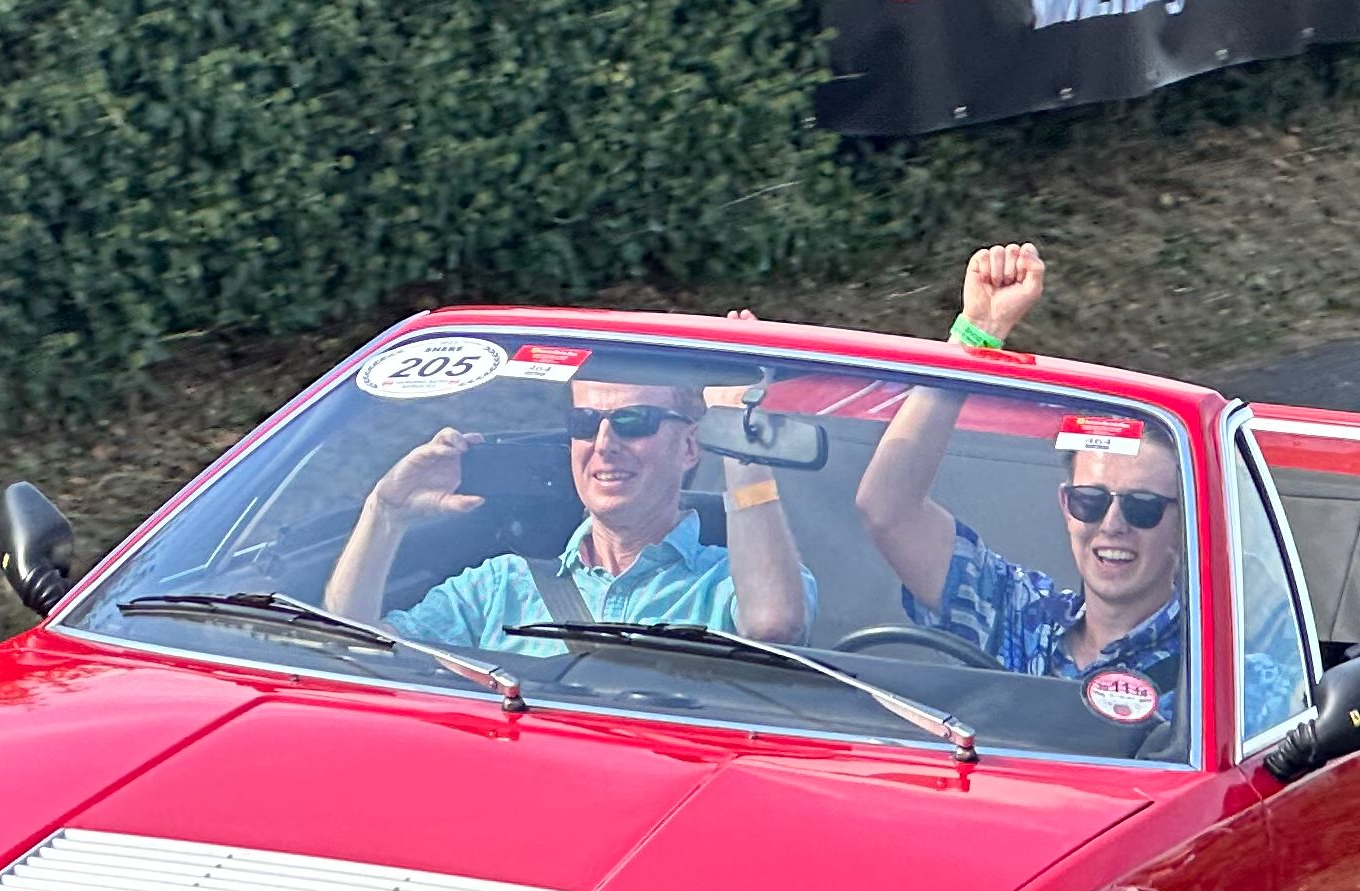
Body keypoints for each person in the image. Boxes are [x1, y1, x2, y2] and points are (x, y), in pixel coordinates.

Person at [850, 243, 1188, 736]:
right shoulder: (1017, 612)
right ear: (1066, 506)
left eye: (1142, 507)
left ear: (1185, 522)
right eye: (1090, 501)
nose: (1112, 525)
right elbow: (887, 509)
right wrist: (977, 332)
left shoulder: (1222, 671)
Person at [323, 359, 812, 648]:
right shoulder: (499, 585)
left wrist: (740, 441)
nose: (604, 443)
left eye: (634, 421)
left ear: (688, 447)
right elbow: (353, 646)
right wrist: (384, 514)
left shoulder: (724, 583)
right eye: (585, 422)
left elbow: (772, 624)